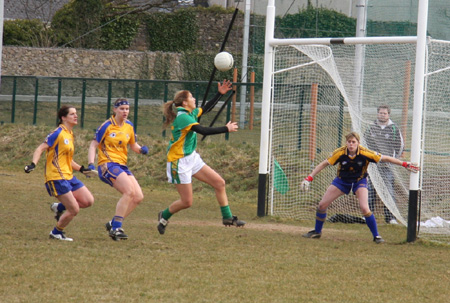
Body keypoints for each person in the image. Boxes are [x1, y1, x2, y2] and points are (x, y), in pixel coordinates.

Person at [157, 80, 245, 235]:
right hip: (179, 162)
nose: (194, 100)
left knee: (219, 183)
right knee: (187, 202)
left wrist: (220, 93)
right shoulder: (183, 118)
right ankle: (164, 215)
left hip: (191, 157)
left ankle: (227, 217)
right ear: (185, 102)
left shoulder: (189, 113)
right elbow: (203, 130)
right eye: (191, 98)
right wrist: (226, 128)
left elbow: (206, 108)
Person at [300, 132, 419, 244]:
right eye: (349, 142)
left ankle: (376, 236)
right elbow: (323, 164)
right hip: (342, 181)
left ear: (358, 143)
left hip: (359, 181)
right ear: (346, 143)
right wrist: (309, 178)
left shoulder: (365, 153)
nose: (351, 144)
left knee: (364, 208)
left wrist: (404, 164)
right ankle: (317, 231)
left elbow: (386, 158)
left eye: (353, 142)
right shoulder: (340, 153)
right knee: (322, 205)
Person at [24, 105, 95, 241]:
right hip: (56, 177)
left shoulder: (70, 134)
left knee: (88, 201)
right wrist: (33, 164)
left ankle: (59, 207)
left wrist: (81, 169)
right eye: (72, 114)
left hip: (68, 176)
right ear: (63, 118)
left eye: (76, 113)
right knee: (74, 209)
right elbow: (40, 149)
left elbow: (67, 160)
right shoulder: (58, 133)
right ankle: (56, 232)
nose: (76, 116)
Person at [88, 98, 149, 241]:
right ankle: (116, 228)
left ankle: (113, 223)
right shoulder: (107, 125)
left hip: (122, 165)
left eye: (127, 109)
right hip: (107, 165)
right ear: (115, 110)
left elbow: (133, 145)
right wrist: (91, 163)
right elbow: (93, 145)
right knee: (129, 191)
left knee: (138, 197)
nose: (125, 111)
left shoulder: (129, 126)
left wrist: (141, 150)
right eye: (122, 109)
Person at [365, 105, 404, 224]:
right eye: (380, 113)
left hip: (387, 166)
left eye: (385, 113)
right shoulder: (371, 127)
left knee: (388, 191)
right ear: (377, 114)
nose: (382, 115)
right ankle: (368, 215)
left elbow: (400, 146)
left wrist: (393, 159)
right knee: (370, 190)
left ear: (389, 115)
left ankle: (390, 217)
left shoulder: (394, 129)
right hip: (372, 165)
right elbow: (365, 142)